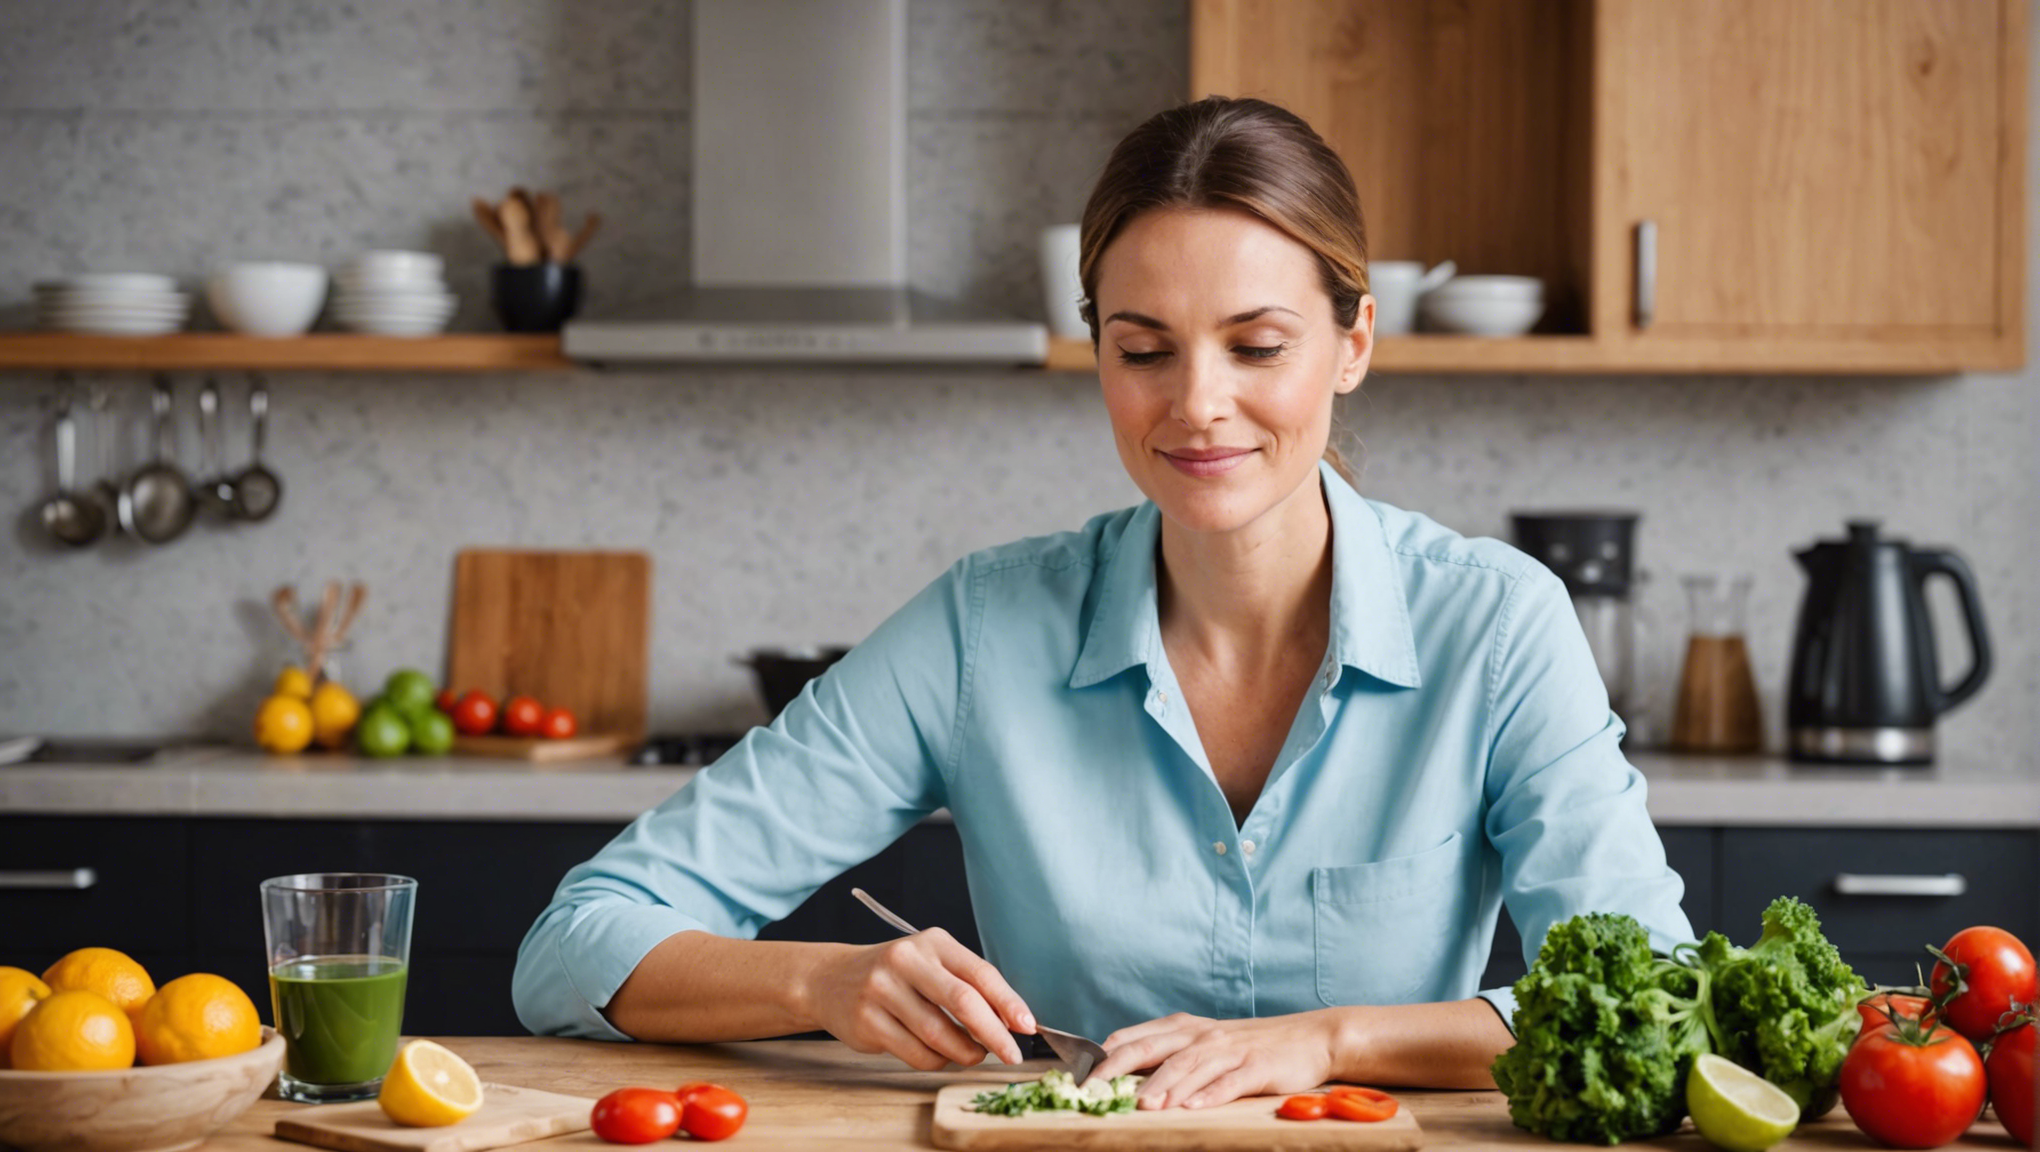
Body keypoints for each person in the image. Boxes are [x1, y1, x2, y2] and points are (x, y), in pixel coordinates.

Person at [513, 96, 1692, 1109]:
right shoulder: (983, 628)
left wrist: (1333, 1041)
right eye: (1144, 350)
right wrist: (819, 983)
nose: (1198, 403)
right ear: (1099, 356)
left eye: (1256, 345)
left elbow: (1655, 999)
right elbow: (577, 943)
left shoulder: (1497, 627)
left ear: (1353, 343)